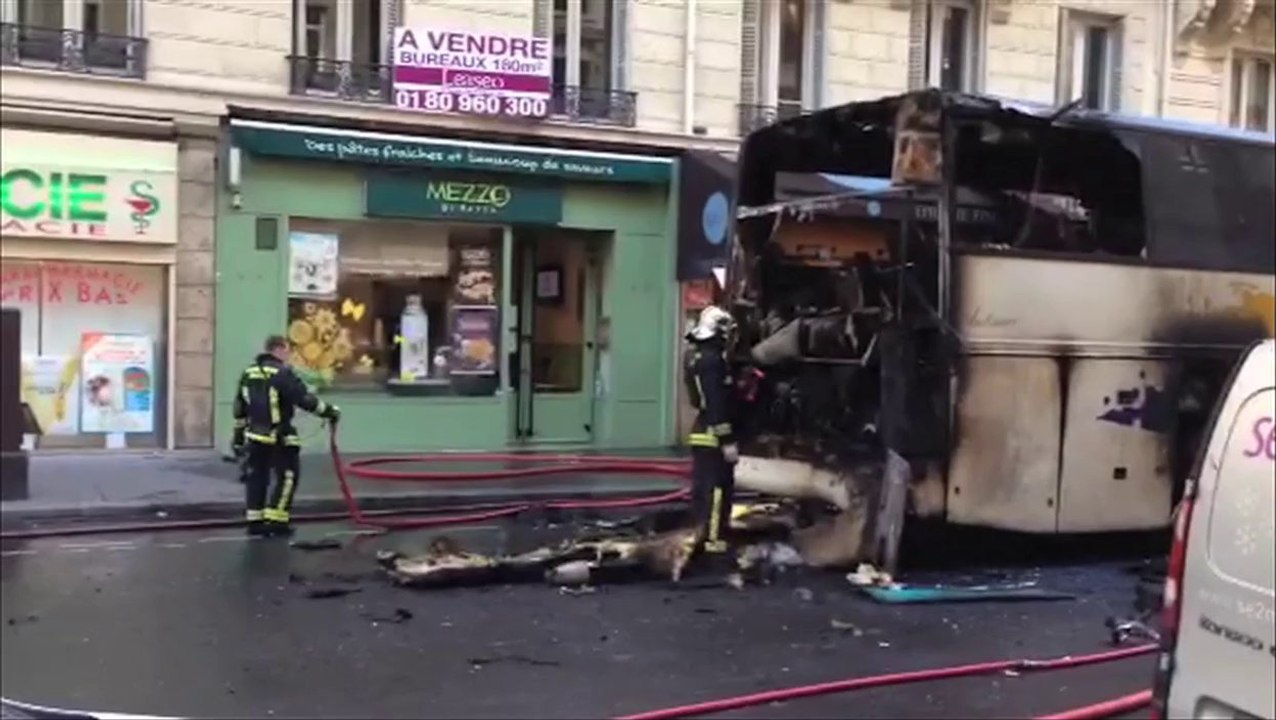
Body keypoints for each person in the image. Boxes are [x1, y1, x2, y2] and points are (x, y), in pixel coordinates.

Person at [232, 335, 340, 537]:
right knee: (288, 476)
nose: (289, 355)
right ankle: (276, 521)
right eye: (288, 350)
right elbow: (304, 399)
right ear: (279, 349)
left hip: (255, 436)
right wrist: (330, 412)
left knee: (257, 477)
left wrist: (238, 439)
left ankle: (255, 521)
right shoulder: (283, 373)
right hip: (279, 436)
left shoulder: (248, 373)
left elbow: (240, 408)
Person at [682, 305, 740, 563]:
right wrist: (727, 440)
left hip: (700, 428)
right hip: (713, 433)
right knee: (718, 489)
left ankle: (699, 531)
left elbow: (699, 400)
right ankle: (714, 540)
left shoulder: (693, 357)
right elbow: (717, 403)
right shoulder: (714, 362)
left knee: (701, 486)